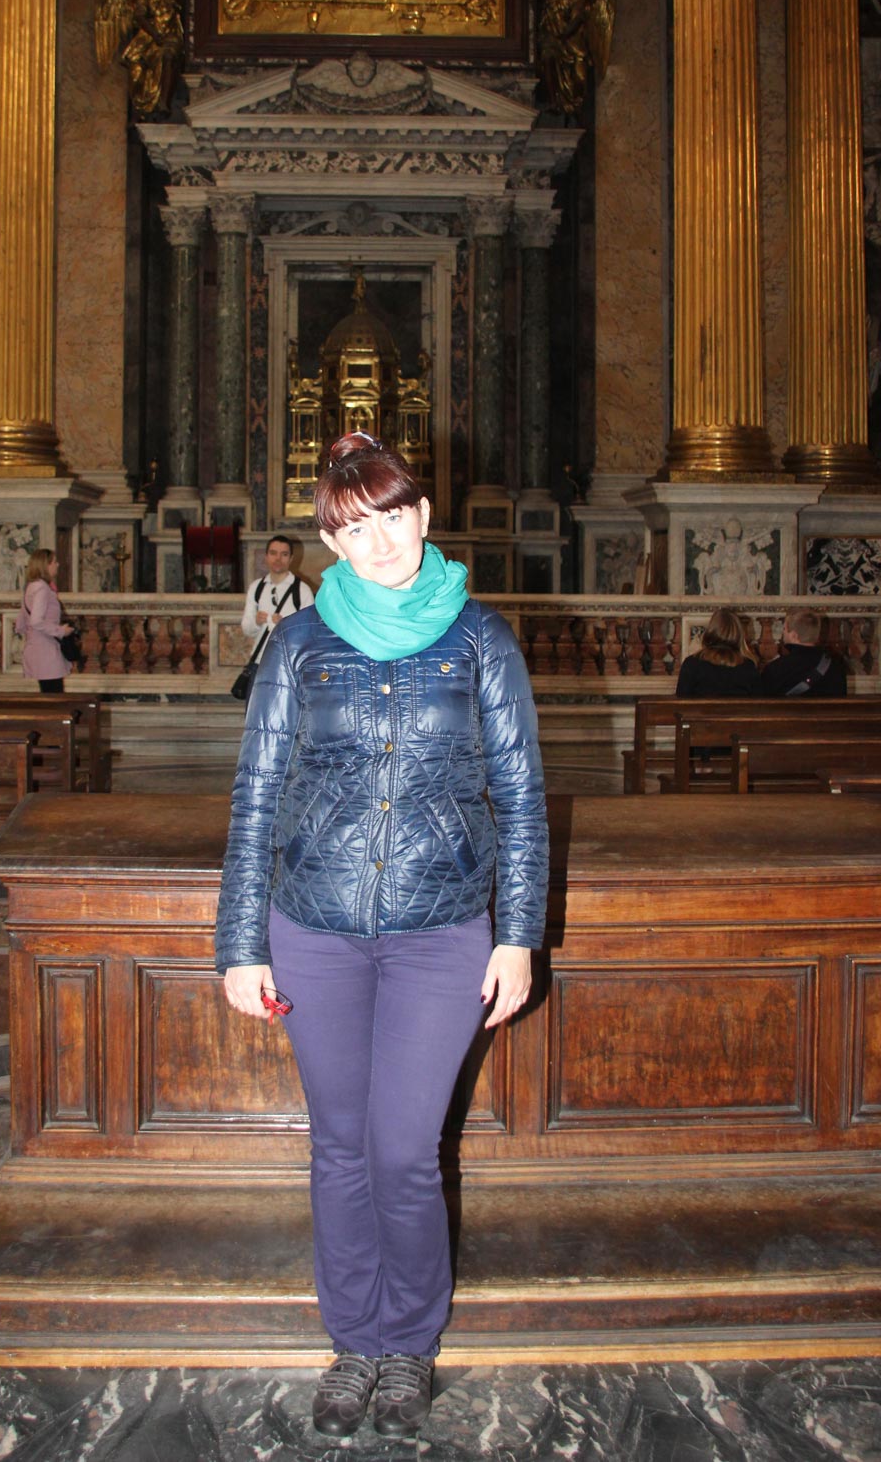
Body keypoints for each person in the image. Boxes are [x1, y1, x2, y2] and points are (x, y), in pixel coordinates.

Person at [216, 433, 548, 1440]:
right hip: (312, 927)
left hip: (439, 930)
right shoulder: (299, 643)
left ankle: (407, 1340)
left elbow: (522, 797)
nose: (380, 540)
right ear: (330, 540)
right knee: (338, 1147)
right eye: (354, 526)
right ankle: (352, 1341)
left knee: (402, 1150)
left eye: (393, 515)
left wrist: (517, 936)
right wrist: (240, 943)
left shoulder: (481, 638)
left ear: (423, 514)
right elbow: (255, 795)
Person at [240, 534, 314, 673]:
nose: (278, 559)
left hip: (289, 663)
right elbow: (247, 629)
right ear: (266, 556)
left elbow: (310, 632)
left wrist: (286, 626)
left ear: (291, 558)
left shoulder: (302, 590)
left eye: (284, 554)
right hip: (260, 661)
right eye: (273, 553)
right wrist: (257, 622)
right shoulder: (256, 588)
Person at [14, 548, 73, 692]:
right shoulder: (42, 588)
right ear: (45, 565)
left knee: (49, 692)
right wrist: (61, 631)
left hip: (36, 646)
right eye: (54, 562)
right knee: (54, 694)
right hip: (45, 650)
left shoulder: (31, 586)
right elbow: (36, 621)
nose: (57, 564)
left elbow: (21, 621)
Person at [758, 606, 848, 697]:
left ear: (794, 635)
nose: (783, 633)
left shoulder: (775, 670)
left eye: (784, 629)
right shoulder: (836, 667)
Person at [675, 607, 759, 698]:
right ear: (738, 633)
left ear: (711, 630)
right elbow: (759, 702)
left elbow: (681, 700)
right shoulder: (748, 666)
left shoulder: (692, 664)